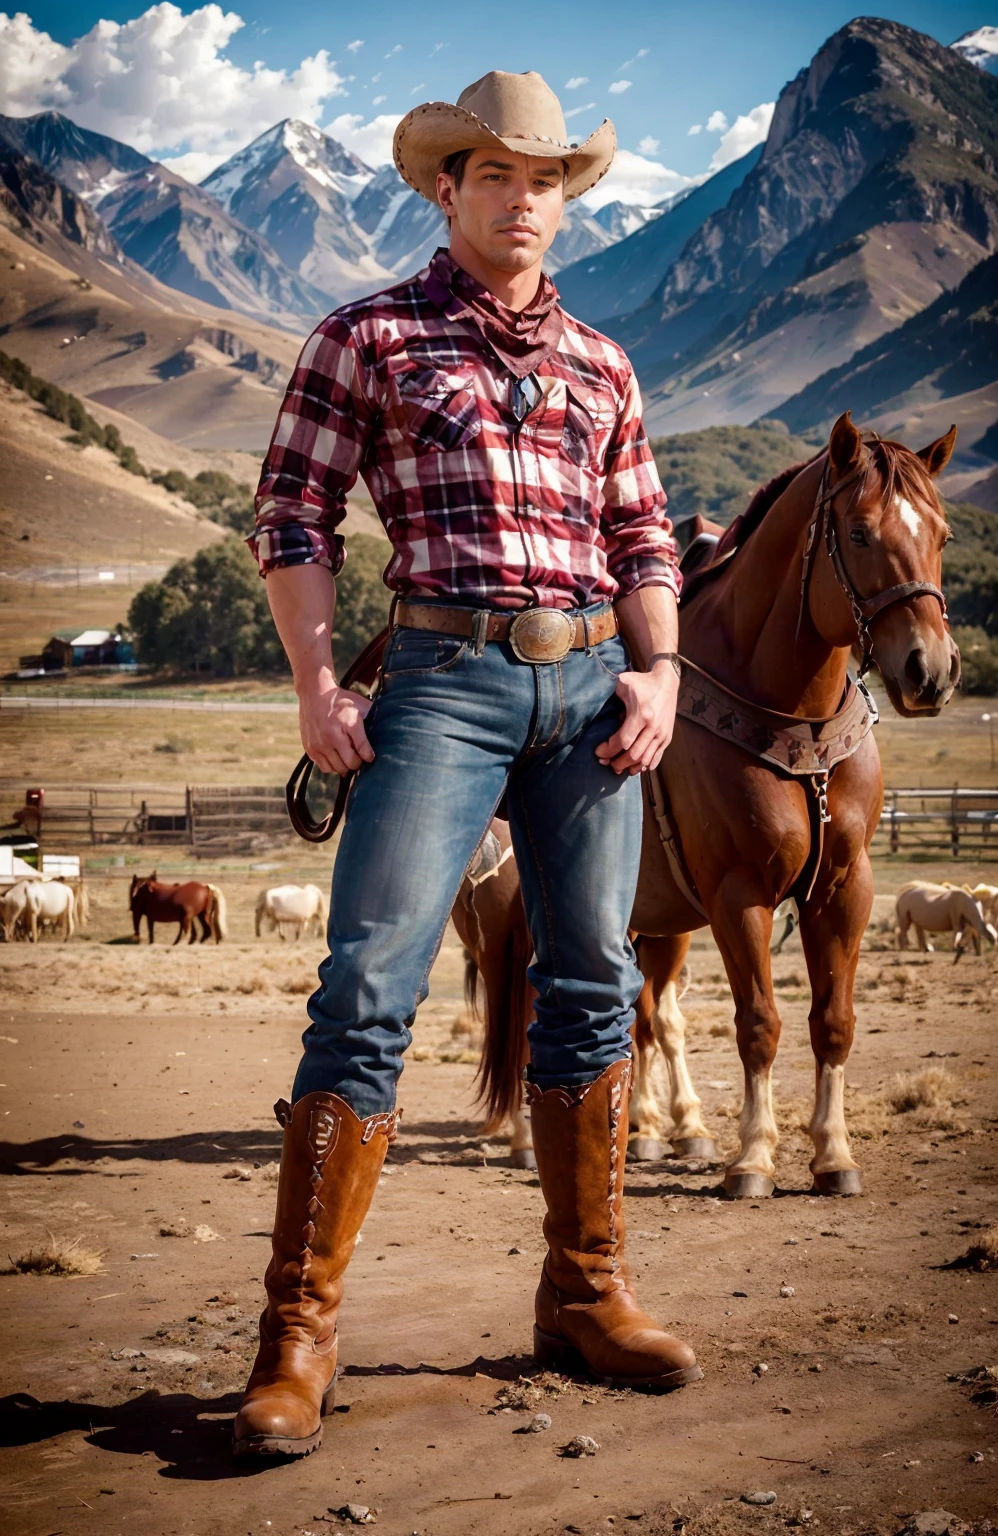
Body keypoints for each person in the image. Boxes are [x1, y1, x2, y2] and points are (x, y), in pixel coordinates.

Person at [234, 69, 700, 1460]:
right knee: (370, 985)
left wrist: (663, 668)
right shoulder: (365, 337)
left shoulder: (603, 363)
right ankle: (296, 1340)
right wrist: (319, 681)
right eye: (496, 174)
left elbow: (645, 538)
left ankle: (587, 1291)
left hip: (589, 694)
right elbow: (293, 513)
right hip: (439, 682)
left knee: (594, 984)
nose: (523, 198)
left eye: (545, 179)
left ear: (566, 198)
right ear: (448, 187)